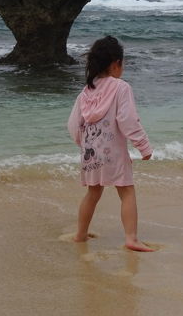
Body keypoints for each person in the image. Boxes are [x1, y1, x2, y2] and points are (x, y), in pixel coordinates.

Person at [68, 36, 154, 252]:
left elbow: (73, 125)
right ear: (116, 63)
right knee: (126, 191)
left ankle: (80, 234)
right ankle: (131, 238)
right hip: (113, 153)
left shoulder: (86, 92)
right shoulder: (120, 88)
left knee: (93, 193)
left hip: (90, 154)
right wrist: (143, 146)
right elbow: (128, 120)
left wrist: (84, 145)